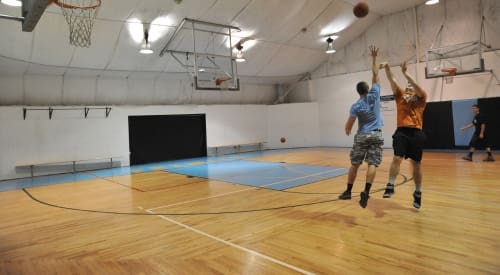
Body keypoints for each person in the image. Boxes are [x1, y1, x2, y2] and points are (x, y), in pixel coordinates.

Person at [338, 45, 383, 208]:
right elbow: (375, 74)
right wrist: (373, 58)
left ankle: (348, 192)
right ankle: (366, 192)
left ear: (358, 92)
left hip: (362, 135)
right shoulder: (375, 94)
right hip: (376, 134)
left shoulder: (355, 106)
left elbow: (348, 126)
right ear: (368, 89)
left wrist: (347, 129)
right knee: (372, 164)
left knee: (355, 164)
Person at [380, 61, 427, 209]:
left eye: (411, 87)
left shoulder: (421, 99)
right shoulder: (400, 97)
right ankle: (390, 185)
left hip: (416, 133)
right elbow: (392, 80)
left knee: (416, 164)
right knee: (397, 157)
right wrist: (388, 67)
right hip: (402, 131)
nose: (409, 89)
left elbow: (418, 88)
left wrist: (406, 74)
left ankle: (418, 192)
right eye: (407, 87)